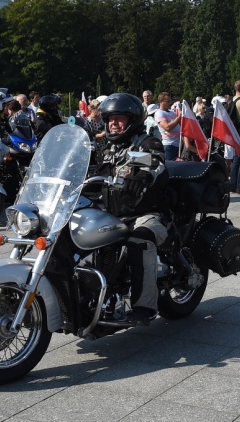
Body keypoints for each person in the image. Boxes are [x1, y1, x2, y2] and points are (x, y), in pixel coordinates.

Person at [94, 93, 170, 325]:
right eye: (110, 119)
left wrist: (143, 177)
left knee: (139, 240)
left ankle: (144, 306)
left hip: (145, 213)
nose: (114, 123)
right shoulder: (106, 149)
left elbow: (154, 162)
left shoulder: (146, 143)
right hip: (113, 214)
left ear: (133, 121)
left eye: (120, 119)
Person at [154, 92, 181, 160]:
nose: (170, 103)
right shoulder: (159, 113)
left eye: (170, 101)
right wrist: (178, 118)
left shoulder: (172, 112)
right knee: (169, 167)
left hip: (177, 144)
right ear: (161, 102)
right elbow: (167, 127)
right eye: (167, 101)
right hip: (169, 144)